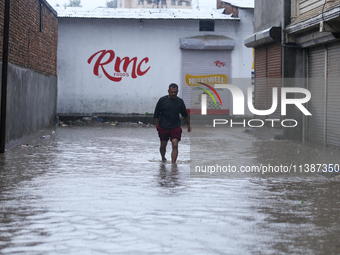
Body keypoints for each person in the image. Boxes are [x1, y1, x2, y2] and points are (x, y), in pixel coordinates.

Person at [154, 83, 191, 163]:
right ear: (168, 91)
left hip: (175, 127)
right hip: (163, 126)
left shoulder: (180, 102)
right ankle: (163, 157)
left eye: (175, 92)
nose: (173, 94)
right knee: (163, 146)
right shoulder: (162, 100)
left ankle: (173, 165)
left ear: (177, 91)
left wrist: (188, 124)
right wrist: (157, 125)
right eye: (172, 92)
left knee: (175, 144)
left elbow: (185, 114)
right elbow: (156, 113)